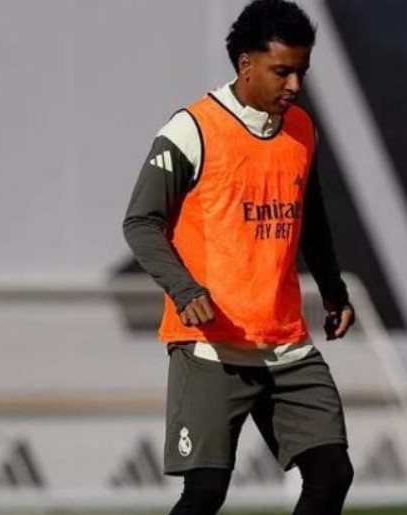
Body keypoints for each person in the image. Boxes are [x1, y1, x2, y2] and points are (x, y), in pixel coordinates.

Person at [123, 1, 355, 513]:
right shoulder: (192, 128)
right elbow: (140, 222)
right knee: (206, 492)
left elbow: (311, 218)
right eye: (282, 71)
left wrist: (333, 291)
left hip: (285, 344)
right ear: (246, 64)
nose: (295, 85)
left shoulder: (302, 129)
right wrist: (185, 289)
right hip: (211, 347)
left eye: (302, 72)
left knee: (332, 474)